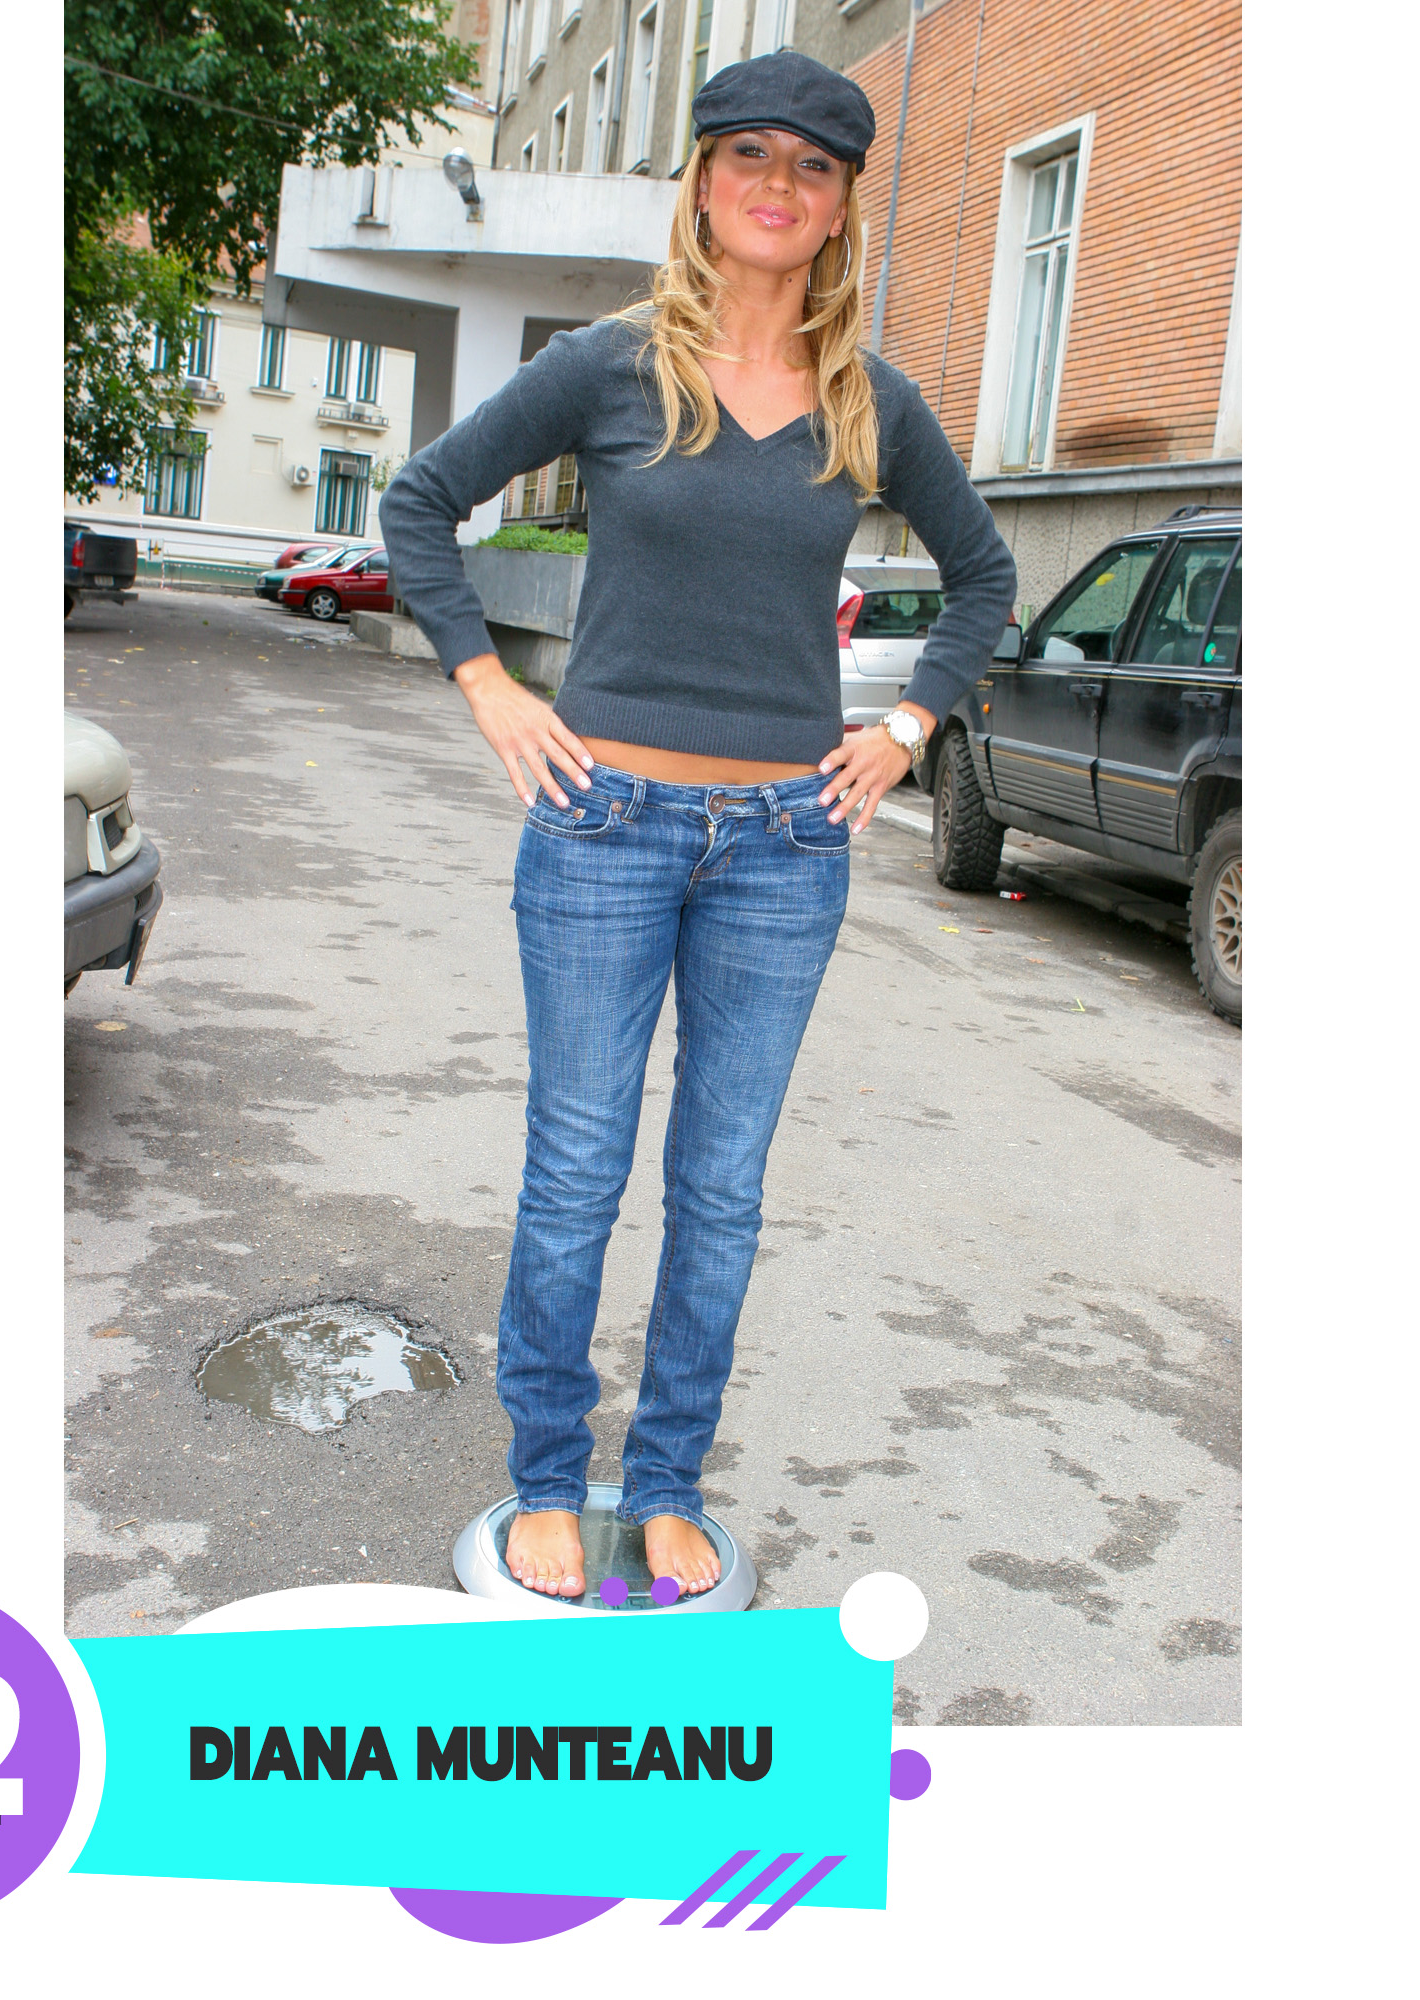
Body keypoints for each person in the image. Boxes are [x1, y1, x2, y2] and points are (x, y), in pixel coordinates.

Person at [380, 49, 1018, 1600]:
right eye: (750, 156)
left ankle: (665, 1478)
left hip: (784, 849)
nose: (778, 186)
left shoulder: (871, 400)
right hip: (600, 823)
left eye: (813, 166)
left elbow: (987, 576)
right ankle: (548, 1474)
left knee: (720, 1189)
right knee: (578, 1170)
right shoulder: (610, 367)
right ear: (704, 182)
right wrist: (488, 687)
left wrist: (907, 731)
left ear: (842, 204)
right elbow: (420, 502)